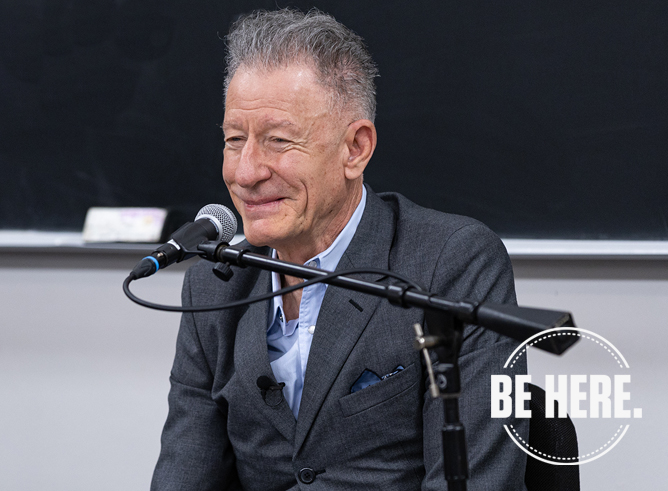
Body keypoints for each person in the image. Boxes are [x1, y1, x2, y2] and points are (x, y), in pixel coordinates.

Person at [152, 8, 528, 491]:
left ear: (355, 148)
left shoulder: (452, 264)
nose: (245, 173)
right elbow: (184, 474)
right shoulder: (212, 284)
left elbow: (477, 482)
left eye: (278, 141)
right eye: (234, 140)